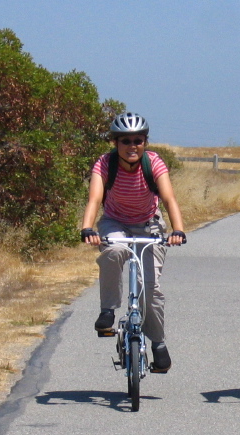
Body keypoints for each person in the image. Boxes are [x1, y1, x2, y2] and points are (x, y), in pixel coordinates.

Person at [80, 112, 186, 373]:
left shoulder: (154, 163)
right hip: (115, 222)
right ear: (116, 143)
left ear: (145, 142)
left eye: (138, 140)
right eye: (125, 141)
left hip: (149, 224)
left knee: (149, 289)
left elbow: (169, 199)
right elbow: (95, 199)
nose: (132, 146)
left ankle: (158, 343)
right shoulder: (105, 164)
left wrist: (178, 230)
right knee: (114, 251)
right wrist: (87, 227)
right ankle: (108, 310)